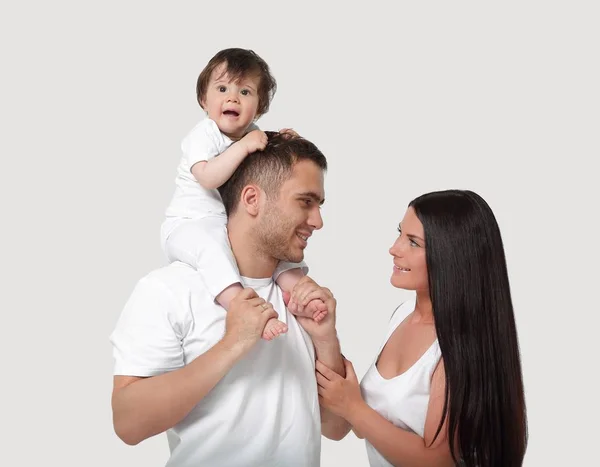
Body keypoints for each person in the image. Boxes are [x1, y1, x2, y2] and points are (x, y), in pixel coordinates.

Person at [110, 132, 345, 467]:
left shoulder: (303, 298)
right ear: (252, 199)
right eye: (305, 202)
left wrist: (325, 339)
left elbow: (338, 427)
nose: (318, 221)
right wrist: (233, 343)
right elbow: (128, 425)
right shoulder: (167, 290)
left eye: (319, 206)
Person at [316, 190, 528, 467]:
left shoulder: (458, 344)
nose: (394, 248)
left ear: (453, 256)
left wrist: (353, 408)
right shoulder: (402, 315)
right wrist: (324, 333)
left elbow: (437, 460)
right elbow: (356, 428)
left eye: (413, 242)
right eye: (400, 233)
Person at [161, 47, 326, 341]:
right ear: (204, 100)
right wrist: (246, 146)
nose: (232, 98)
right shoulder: (204, 134)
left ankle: (300, 291)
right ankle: (240, 305)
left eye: (246, 92)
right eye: (222, 88)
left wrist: (284, 140)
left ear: (259, 107)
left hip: (225, 225)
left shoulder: (251, 132)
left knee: (276, 246)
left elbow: (266, 166)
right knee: (211, 249)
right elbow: (208, 177)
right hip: (189, 224)